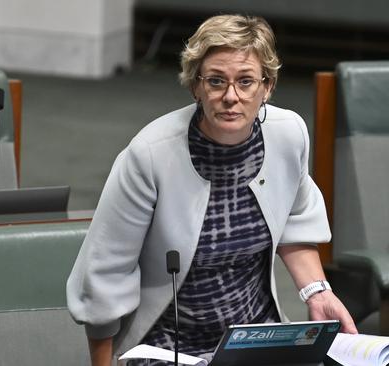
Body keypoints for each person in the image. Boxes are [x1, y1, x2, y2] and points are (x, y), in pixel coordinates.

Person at [66, 14, 357, 366]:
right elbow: (104, 278)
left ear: (267, 86)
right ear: (195, 86)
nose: (231, 96)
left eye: (246, 81)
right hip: (168, 343)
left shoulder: (288, 134)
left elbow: (296, 221)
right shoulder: (150, 154)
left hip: (253, 337)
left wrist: (317, 292)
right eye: (216, 81)